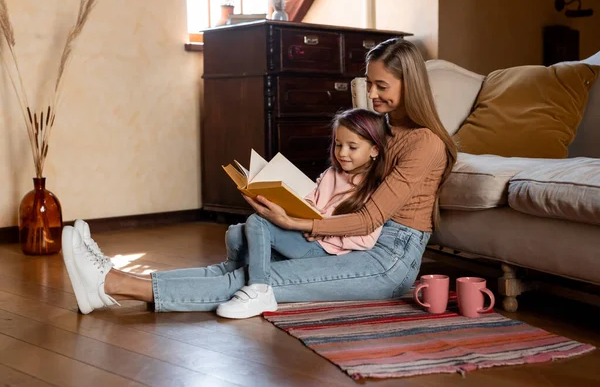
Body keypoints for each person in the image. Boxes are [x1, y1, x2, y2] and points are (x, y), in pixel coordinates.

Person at [60, 38, 457, 315]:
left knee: (255, 281)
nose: (370, 94)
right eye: (369, 83)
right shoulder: (383, 129)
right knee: (241, 265)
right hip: (352, 242)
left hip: (388, 259)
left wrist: (297, 222)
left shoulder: (424, 144)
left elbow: (372, 218)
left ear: (411, 84)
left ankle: (114, 286)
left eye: (381, 86)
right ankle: (114, 279)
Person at [215, 108, 391, 319]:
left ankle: (259, 289)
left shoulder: (376, 189)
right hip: (304, 236)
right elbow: (311, 201)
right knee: (237, 233)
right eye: (338, 144)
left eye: (352, 147)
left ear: (374, 150)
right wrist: (291, 205)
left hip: (324, 249)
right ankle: (228, 280)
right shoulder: (331, 174)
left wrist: (322, 230)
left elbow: (366, 240)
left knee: (257, 222)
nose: (343, 153)